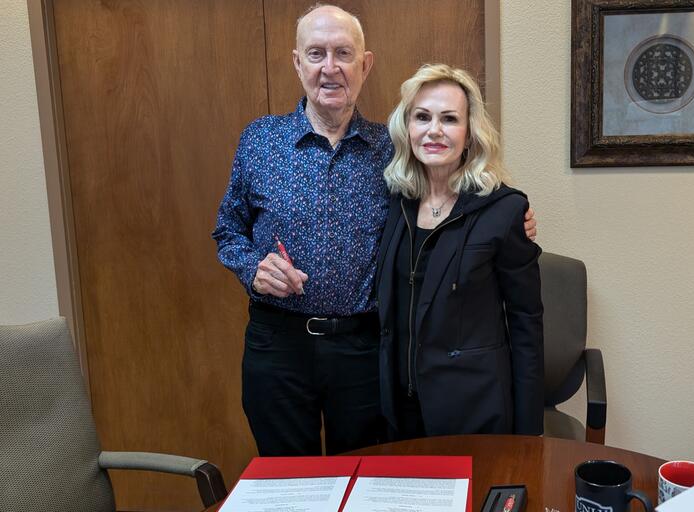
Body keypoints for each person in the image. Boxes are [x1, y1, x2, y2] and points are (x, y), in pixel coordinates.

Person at [212, 4, 537, 456]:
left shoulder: (395, 150)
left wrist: (509, 212)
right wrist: (252, 268)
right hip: (277, 347)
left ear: (365, 65)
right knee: (287, 480)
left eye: (343, 53)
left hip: (363, 351)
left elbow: (451, 202)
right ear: (296, 63)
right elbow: (228, 230)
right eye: (316, 53)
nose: (330, 68)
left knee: (364, 472)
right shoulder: (260, 140)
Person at [375, 64, 544, 440]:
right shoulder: (393, 202)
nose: (434, 130)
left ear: (469, 134)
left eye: (449, 119)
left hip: (473, 410)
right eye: (422, 117)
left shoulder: (504, 210)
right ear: (408, 129)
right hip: (397, 411)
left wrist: (530, 433)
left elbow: (526, 324)